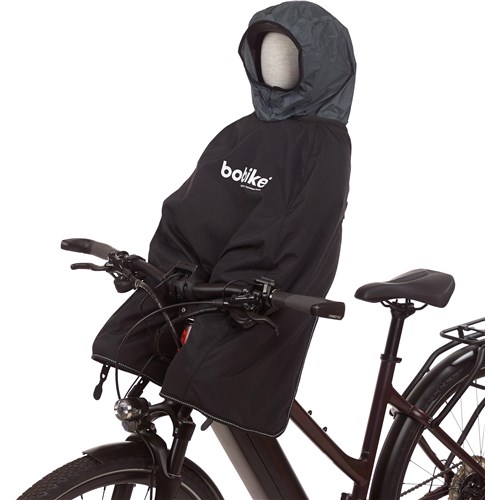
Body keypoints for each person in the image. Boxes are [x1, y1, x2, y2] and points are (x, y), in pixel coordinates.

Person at [93, 1, 356, 437]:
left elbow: (290, 241)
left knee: (217, 370)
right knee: (143, 339)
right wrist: (163, 272)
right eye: (264, 51)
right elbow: (193, 210)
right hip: (209, 291)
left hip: (249, 295)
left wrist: (245, 288)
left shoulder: (321, 147)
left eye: (287, 53)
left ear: (321, 65)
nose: (272, 62)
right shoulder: (241, 132)